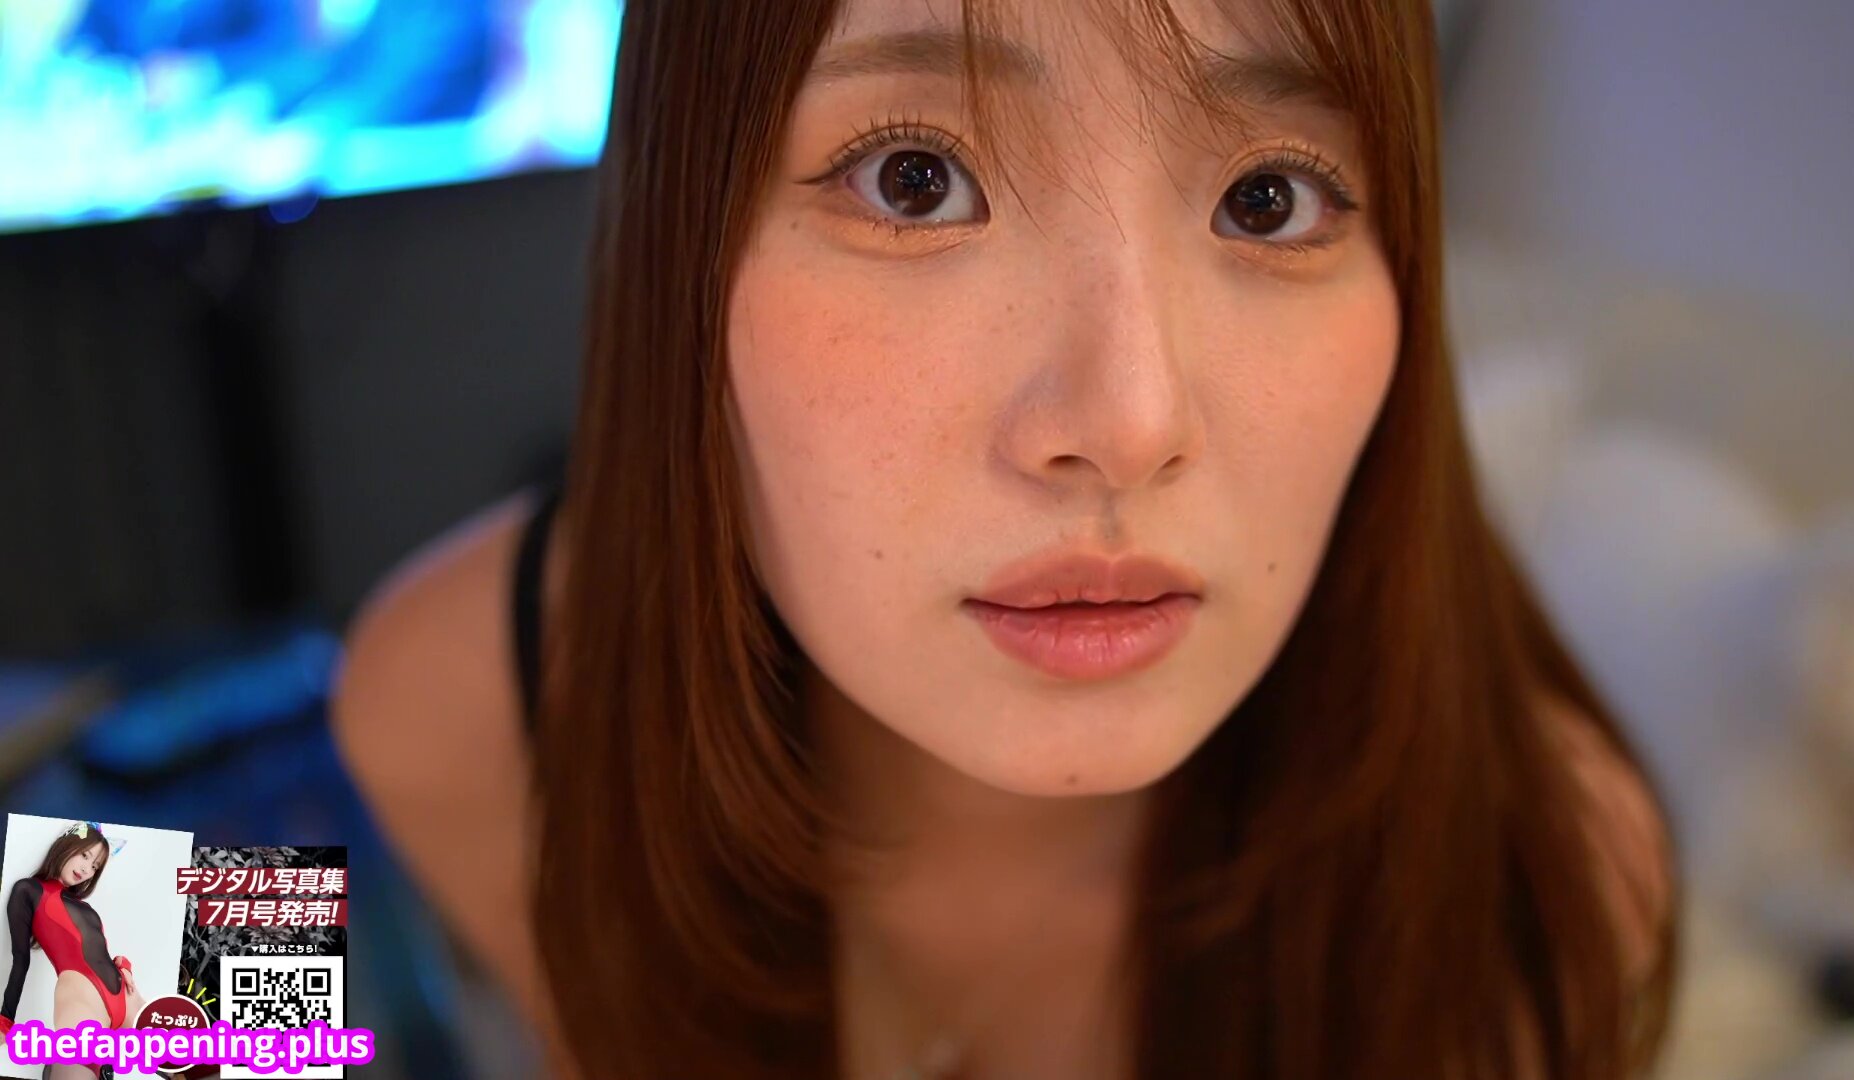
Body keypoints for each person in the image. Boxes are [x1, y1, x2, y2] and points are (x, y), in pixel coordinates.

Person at [329, 0, 1679, 1077]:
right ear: (681, 249)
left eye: (1270, 197)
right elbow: (208, 1014)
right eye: (913, 182)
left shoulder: (1550, 881)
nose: (1127, 423)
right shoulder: (432, 701)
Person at [3, 823, 149, 1080]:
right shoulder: (28, 890)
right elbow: (20, 960)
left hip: (126, 998)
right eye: (85, 855)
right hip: (83, 1000)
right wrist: (5, 1020)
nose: (86, 869)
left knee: (193, 1060)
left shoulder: (85, 907)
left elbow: (98, 951)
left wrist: (123, 964)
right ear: (66, 846)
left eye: (95, 866)